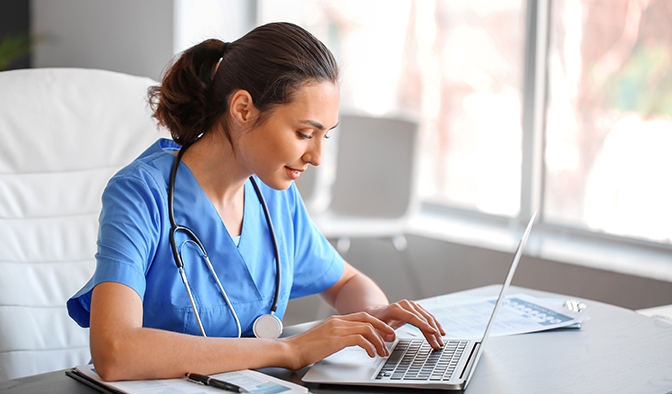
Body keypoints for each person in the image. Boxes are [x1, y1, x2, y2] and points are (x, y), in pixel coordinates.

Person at [67, 22, 444, 381]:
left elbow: (345, 282)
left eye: (323, 136)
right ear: (243, 109)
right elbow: (115, 353)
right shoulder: (140, 194)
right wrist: (288, 351)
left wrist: (374, 318)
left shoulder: (274, 196)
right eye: (303, 133)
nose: (316, 157)